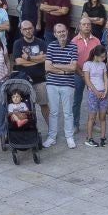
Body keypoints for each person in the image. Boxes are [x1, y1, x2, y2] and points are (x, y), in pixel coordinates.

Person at [42, 22, 79, 150]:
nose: (61, 34)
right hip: (52, 84)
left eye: (63, 31)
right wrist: (64, 69)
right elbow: (47, 67)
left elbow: (73, 67)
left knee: (68, 112)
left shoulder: (73, 46)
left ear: (67, 31)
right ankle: (52, 137)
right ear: (55, 34)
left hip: (68, 84)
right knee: (53, 112)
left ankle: (69, 137)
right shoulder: (51, 46)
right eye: (59, 32)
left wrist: (56, 65)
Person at [82, 44, 108, 147]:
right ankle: (89, 138)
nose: (104, 59)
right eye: (102, 56)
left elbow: (105, 78)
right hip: (93, 93)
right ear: (96, 55)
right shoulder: (87, 64)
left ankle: (103, 137)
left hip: (103, 92)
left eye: (104, 57)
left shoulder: (103, 65)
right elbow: (87, 80)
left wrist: (106, 90)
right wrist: (96, 92)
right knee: (92, 117)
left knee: (102, 116)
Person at [3, 91, 41, 165]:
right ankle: (19, 121)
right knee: (14, 115)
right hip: (14, 120)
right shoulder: (10, 105)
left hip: (23, 117)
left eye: (17, 97)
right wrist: (16, 113)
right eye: (13, 97)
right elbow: (10, 113)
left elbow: (27, 111)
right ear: (11, 98)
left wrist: (26, 112)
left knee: (25, 116)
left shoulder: (23, 104)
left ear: (21, 98)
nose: (15, 98)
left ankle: (21, 121)